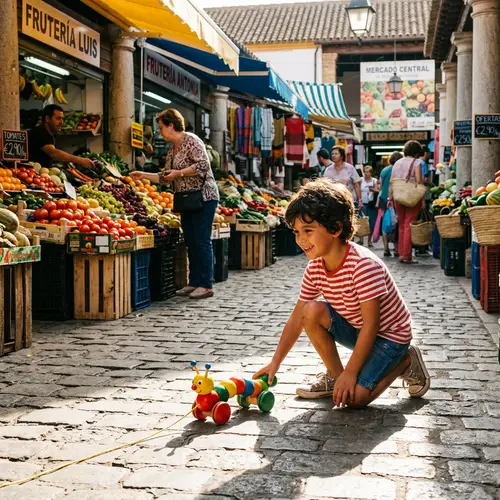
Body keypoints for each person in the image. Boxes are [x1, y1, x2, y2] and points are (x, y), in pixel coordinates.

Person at [253, 180, 430, 407]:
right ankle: (336, 377)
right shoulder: (315, 267)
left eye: (308, 231)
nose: (301, 239)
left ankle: (405, 361)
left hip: (390, 337)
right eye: (297, 232)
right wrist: (274, 363)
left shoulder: (363, 265)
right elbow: (298, 318)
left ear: (335, 229)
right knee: (310, 311)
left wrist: (352, 372)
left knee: (355, 399)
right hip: (359, 330)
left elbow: (372, 325)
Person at [130, 108, 219, 299]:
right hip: (186, 200)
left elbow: (203, 165)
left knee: (202, 241)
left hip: (204, 197)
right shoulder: (173, 150)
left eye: (161, 127)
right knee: (190, 241)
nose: (159, 131)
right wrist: (143, 175)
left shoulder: (192, 140)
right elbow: (165, 178)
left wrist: (180, 173)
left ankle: (206, 284)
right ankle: (194, 282)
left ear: (171, 125)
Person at [389, 140, 425, 265]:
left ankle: (401, 252)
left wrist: (390, 197)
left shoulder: (397, 162)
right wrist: (423, 200)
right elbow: (419, 181)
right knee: (409, 224)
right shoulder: (417, 162)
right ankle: (407, 255)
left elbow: (391, 181)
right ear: (417, 152)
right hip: (412, 197)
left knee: (402, 225)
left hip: (398, 196)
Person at [29, 105, 94, 170]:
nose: (61, 122)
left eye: (62, 118)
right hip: (33, 175)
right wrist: (81, 160)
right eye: (58, 118)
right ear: (47, 119)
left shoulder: (48, 133)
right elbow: (54, 153)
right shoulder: (40, 133)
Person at [377, 152, 403, 257]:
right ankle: (397, 249)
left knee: (385, 223)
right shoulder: (399, 170)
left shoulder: (384, 170)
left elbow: (381, 186)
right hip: (396, 198)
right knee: (396, 223)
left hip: (383, 199)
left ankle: (386, 248)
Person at [359, 165, 378, 247]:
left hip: (372, 204)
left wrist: (373, 189)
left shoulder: (374, 180)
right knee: (362, 221)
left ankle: (369, 241)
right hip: (363, 203)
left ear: (371, 173)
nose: (366, 174)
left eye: (368, 172)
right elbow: (358, 189)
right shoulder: (361, 180)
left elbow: (378, 190)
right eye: (365, 172)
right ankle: (361, 240)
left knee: (372, 223)